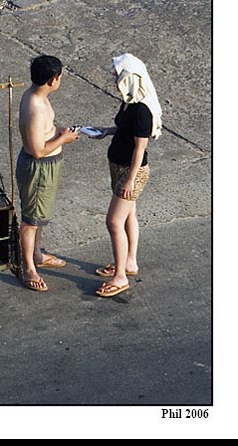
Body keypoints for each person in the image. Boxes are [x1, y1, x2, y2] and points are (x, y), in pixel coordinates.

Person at [91, 53, 162, 298]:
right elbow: (125, 130)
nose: (114, 80)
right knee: (129, 214)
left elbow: (140, 148)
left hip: (131, 171)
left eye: (118, 76)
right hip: (119, 166)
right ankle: (129, 262)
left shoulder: (142, 110)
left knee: (113, 221)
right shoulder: (130, 102)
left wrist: (130, 180)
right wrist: (106, 131)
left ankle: (120, 276)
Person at [15, 55, 80, 292]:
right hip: (39, 170)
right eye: (60, 77)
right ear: (53, 80)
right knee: (31, 220)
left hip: (48, 168)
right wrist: (63, 138)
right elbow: (37, 150)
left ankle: (37, 254)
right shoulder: (34, 106)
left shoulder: (38, 96)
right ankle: (28, 267)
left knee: (38, 216)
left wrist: (58, 131)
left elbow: (44, 132)